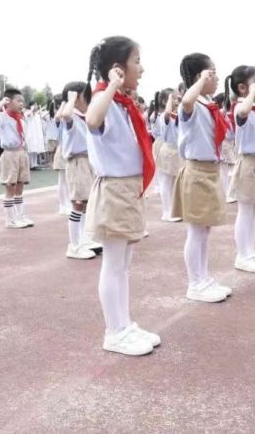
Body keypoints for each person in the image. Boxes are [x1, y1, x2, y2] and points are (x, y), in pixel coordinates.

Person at [85, 36, 159, 357]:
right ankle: (114, 331)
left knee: (123, 264)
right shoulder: (104, 99)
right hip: (115, 190)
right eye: (136, 62)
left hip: (129, 189)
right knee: (114, 264)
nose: (142, 69)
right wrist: (111, 85)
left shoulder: (123, 104)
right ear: (118, 69)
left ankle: (124, 324)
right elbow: (92, 119)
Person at [172, 53, 231, 302]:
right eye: (212, 73)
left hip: (209, 170)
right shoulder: (192, 104)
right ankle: (195, 283)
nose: (216, 78)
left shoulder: (207, 103)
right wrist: (200, 81)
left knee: (205, 230)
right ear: (201, 76)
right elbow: (186, 99)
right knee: (196, 231)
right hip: (197, 171)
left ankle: (204, 277)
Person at [225, 65, 255, 274]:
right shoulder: (241, 107)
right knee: (245, 212)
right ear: (242, 87)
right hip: (248, 163)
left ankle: (251, 251)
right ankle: (242, 255)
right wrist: (253, 94)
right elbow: (242, 112)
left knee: (253, 212)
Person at [58, 82, 101, 259]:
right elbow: (65, 114)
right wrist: (71, 99)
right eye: (86, 96)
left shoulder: (84, 116)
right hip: (77, 161)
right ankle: (74, 245)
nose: (89, 99)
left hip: (88, 161)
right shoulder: (71, 116)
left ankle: (84, 240)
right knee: (78, 203)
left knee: (87, 203)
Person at [0, 89, 34, 229]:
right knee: (10, 186)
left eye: (22, 101)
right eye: (18, 101)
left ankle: (20, 216)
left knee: (20, 185)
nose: (21, 104)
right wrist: (2, 102)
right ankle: (10, 219)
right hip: (10, 154)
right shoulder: (3, 117)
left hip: (21, 152)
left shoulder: (20, 118)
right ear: (9, 101)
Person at [155, 88, 182, 222]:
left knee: (176, 183)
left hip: (178, 152)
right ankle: (167, 211)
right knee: (166, 182)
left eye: (177, 98)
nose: (177, 100)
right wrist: (171, 98)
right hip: (168, 151)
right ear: (165, 102)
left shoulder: (178, 115)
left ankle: (175, 210)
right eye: (173, 98)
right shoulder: (164, 116)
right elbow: (167, 113)